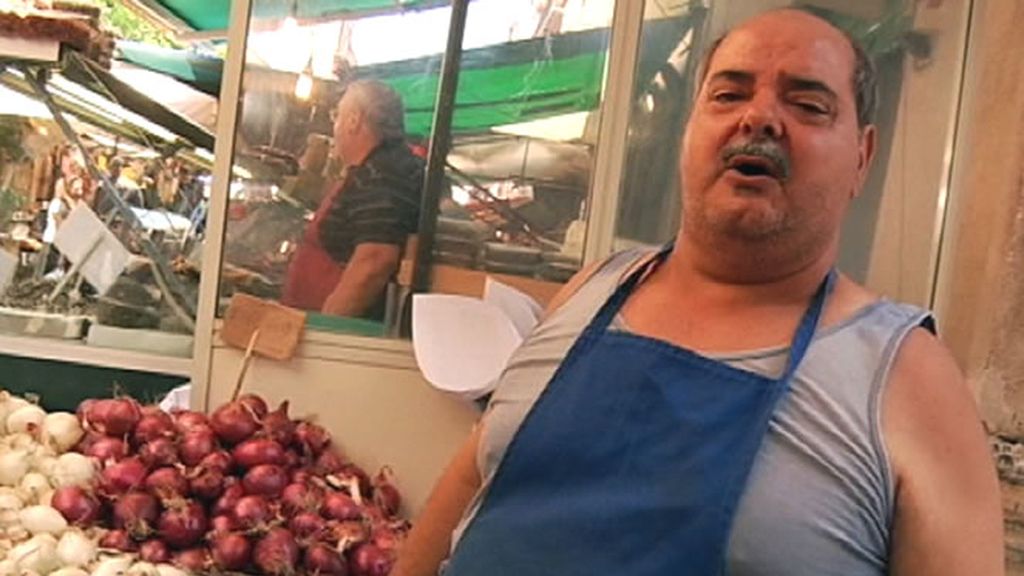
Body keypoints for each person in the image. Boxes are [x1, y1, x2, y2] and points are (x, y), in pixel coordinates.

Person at [392, 9, 1003, 576]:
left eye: (809, 105)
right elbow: (474, 482)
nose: (758, 118)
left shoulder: (908, 377)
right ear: (690, 130)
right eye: (729, 94)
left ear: (862, 158)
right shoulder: (589, 293)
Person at [281, 80, 423, 319]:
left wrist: (327, 330)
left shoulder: (382, 173)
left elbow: (374, 261)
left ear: (354, 120)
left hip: (336, 338)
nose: (334, 127)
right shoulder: (374, 170)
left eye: (337, 115)